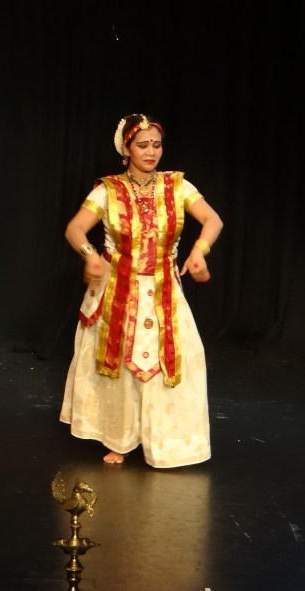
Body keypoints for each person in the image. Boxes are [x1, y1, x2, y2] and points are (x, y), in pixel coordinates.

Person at [60, 113, 223, 469]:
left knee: (169, 365)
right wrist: (91, 255)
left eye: (156, 145)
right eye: (142, 145)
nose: (151, 152)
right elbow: (75, 229)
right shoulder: (108, 190)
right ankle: (120, 438)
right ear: (126, 149)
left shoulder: (178, 185)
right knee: (121, 370)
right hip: (118, 292)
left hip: (164, 290)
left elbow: (213, 220)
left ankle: (166, 441)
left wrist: (199, 251)